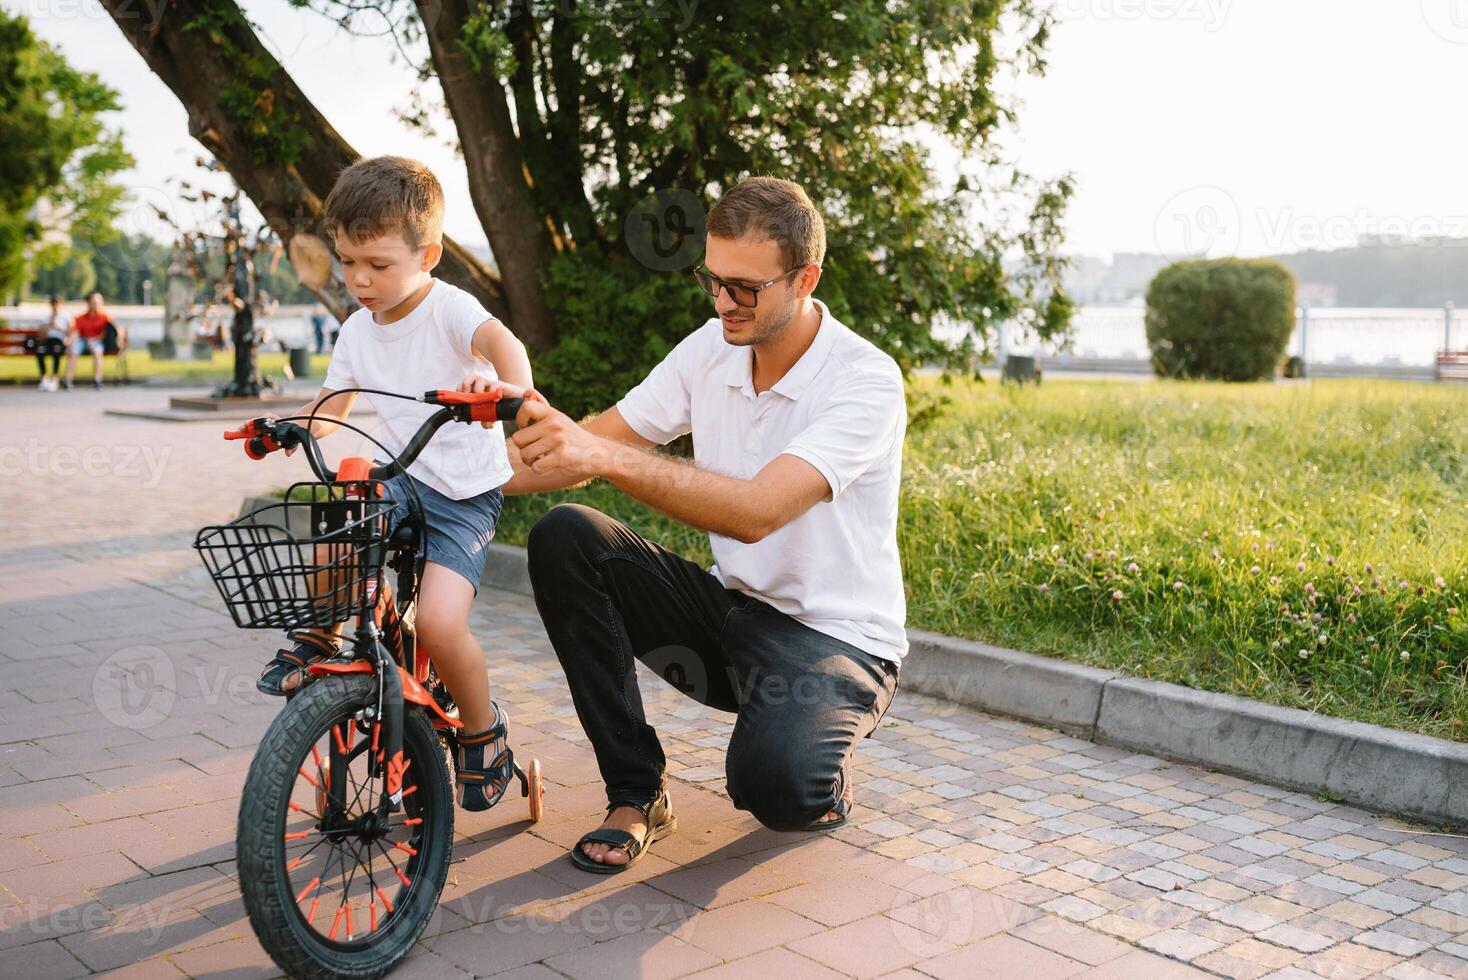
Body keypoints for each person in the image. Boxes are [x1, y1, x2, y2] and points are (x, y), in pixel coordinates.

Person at [466, 177, 906, 872]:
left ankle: (818, 770)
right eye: (712, 280)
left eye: (745, 288)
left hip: (834, 642)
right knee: (566, 535)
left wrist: (602, 456)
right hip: (730, 616)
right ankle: (637, 793)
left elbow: (758, 512)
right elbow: (589, 446)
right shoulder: (712, 347)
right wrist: (439, 478)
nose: (724, 301)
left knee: (775, 790)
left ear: (805, 279)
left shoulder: (865, 380)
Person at [254, 155, 536, 815]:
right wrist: (289, 429)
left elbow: (508, 346)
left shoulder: (448, 311)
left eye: (377, 265)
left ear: (427, 254)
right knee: (337, 524)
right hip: (404, 476)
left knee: (438, 621)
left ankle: (480, 731)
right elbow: (334, 409)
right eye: (347, 261)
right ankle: (319, 637)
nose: (358, 279)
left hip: (463, 492)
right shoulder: (355, 328)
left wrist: (506, 390)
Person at [64, 291, 113, 390]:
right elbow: (75, 333)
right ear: (89, 303)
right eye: (94, 302)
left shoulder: (105, 317)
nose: (97, 304)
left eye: (99, 302)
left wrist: (95, 339)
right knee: (74, 350)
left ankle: (97, 380)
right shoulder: (80, 318)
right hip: (82, 340)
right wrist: (69, 343)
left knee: (97, 351)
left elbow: (107, 332)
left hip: (97, 340)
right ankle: (68, 379)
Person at [35, 296, 69, 391]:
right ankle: (44, 378)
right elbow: (40, 335)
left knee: (56, 351)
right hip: (47, 340)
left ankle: (55, 378)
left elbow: (71, 333)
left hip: (59, 341)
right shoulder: (46, 319)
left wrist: (58, 327)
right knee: (40, 351)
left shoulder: (66, 318)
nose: (55, 308)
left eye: (57, 305)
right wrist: (48, 326)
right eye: (53, 305)